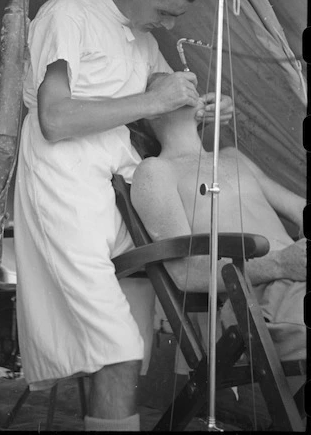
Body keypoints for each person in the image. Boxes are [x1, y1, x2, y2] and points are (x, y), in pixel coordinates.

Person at [14, 0, 234, 431]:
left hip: (119, 196)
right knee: (115, 349)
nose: (172, 24)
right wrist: (154, 102)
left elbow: (165, 116)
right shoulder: (67, 14)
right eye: (165, 10)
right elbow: (54, 118)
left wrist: (197, 112)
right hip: (64, 191)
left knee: (130, 347)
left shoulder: (145, 40)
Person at [130, 101, 306, 368]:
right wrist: (282, 263)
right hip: (262, 299)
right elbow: (184, 274)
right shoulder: (155, 171)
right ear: (146, 115)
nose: (180, 79)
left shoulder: (234, 158)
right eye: (163, 81)